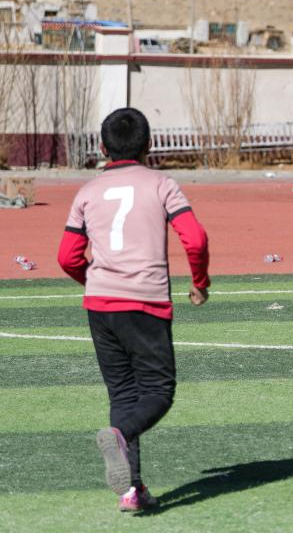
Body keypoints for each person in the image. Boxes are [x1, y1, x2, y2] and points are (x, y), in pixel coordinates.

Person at [56, 108, 210, 513]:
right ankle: (120, 436)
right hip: (145, 301)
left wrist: (94, 280)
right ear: (149, 145)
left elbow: (67, 256)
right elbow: (194, 238)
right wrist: (199, 281)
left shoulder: (88, 191)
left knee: (123, 393)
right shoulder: (162, 184)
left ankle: (132, 490)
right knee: (158, 391)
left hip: (99, 304)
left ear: (102, 147)